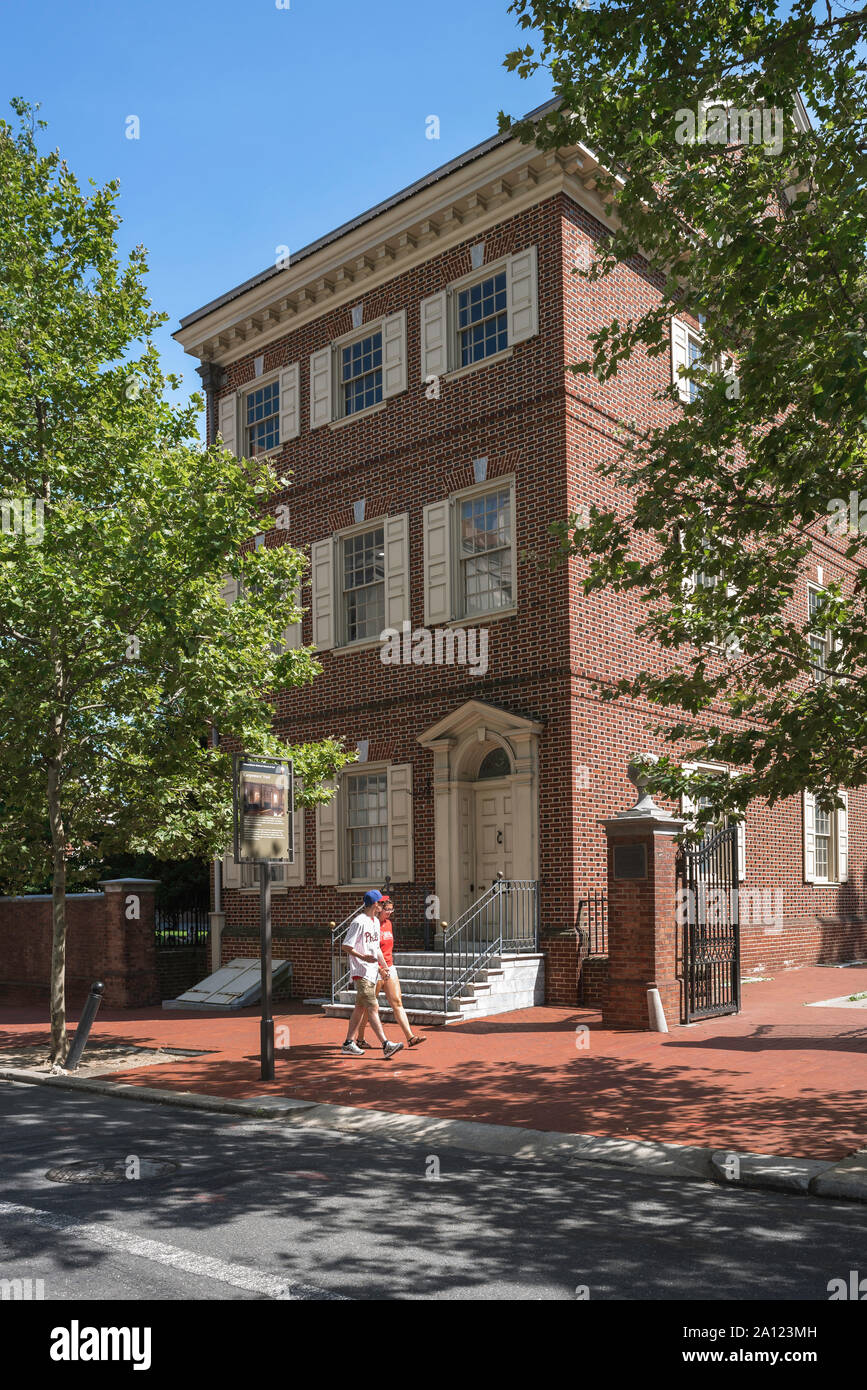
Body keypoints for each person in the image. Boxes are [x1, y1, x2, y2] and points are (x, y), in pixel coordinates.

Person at [357, 894, 426, 1049]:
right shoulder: (371, 924)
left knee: (397, 1002)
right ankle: (360, 1038)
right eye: (387, 909)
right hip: (374, 970)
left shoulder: (389, 924)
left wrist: (387, 968)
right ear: (379, 908)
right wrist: (380, 968)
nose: (389, 912)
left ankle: (410, 1037)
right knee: (369, 1007)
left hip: (389, 967)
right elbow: (368, 949)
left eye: (391, 910)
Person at [341, 890, 403, 1059]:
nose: (383, 906)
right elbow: (346, 946)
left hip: (372, 972)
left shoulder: (375, 922)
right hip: (360, 972)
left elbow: (376, 949)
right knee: (373, 1007)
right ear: (375, 904)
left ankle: (348, 1043)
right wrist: (363, 957)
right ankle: (386, 1044)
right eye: (381, 903)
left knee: (360, 1008)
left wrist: (384, 968)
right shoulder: (358, 922)